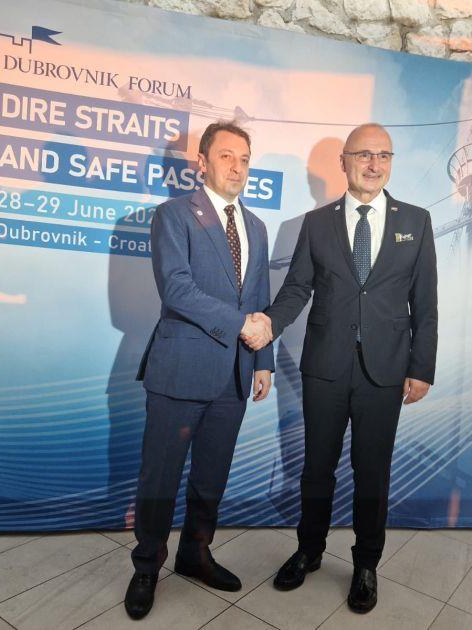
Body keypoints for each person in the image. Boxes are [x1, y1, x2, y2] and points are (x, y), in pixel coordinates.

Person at [255, 123, 438, 613]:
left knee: (372, 473)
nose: (374, 164)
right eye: (364, 155)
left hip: (386, 370)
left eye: (384, 155)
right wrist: (269, 324)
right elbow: (297, 287)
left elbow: (425, 302)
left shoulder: (416, 221)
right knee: (316, 467)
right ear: (344, 162)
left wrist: (422, 366)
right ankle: (309, 550)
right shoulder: (316, 224)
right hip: (325, 367)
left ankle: (366, 564)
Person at [126, 121, 275, 620]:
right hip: (180, 370)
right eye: (227, 156)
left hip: (234, 374)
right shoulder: (173, 215)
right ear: (203, 163)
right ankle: (147, 566)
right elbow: (177, 289)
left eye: (245, 159)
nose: (237, 167)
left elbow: (259, 299)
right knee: (160, 476)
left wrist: (263, 360)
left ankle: (194, 553)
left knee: (211, 477)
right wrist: (240, 326)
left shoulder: (257, 227)